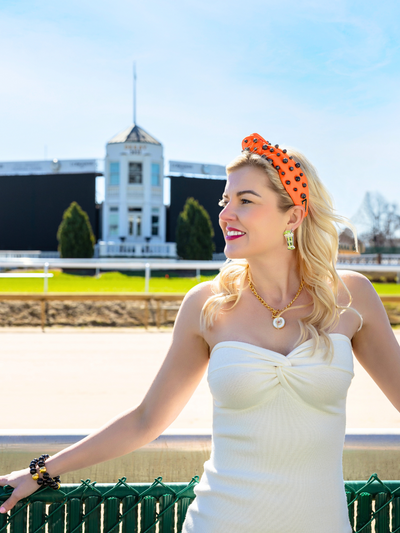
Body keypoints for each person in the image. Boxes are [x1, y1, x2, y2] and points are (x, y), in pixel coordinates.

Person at [1, 132, 400, 533]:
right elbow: (145, 420)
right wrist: (40, 472)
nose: (226, 214)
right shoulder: (207, 305)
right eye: (226, 201)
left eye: (246, 201)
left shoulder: (352, 297)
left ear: (293, 216)